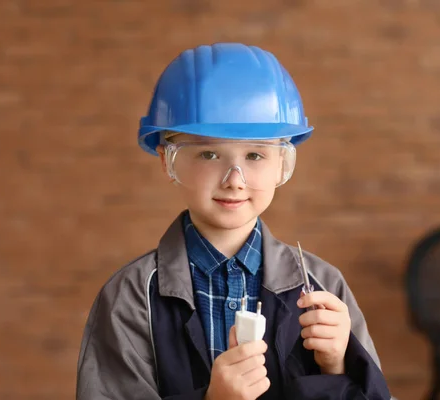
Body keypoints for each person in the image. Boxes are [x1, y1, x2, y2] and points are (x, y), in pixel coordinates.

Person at [76, 42, 391, 400]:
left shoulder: (323, 288)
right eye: (210, 154)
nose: (235, 179)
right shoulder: (132, 298)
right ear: (168, 160)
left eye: (255, 154)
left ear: (282, 164)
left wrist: (338, 367)